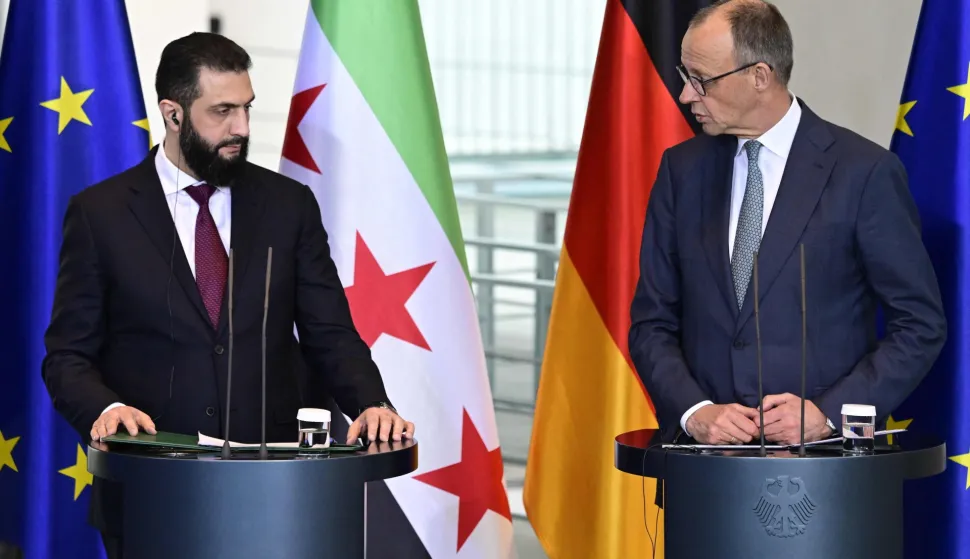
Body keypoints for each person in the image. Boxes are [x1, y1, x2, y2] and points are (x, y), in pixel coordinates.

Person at [41, 32, 413, 556]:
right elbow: (67, 356)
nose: (240, 127)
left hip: (281, 490)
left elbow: (331, 334)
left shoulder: (289, 205)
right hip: (153, 489)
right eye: (222, 111)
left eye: (246, 108)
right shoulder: (100, 214)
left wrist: (371, 403)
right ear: (173, 113)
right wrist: (106, 407)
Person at [628, 0, 946, 447]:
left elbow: (919, 325)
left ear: (760, 76)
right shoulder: (681, 170)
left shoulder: (863, 172)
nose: (686, 96)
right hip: (700, 468)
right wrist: (695, 412)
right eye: (685, 77)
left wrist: (829, 415)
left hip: (824, 472)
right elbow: (651, 322)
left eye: (701, 81)